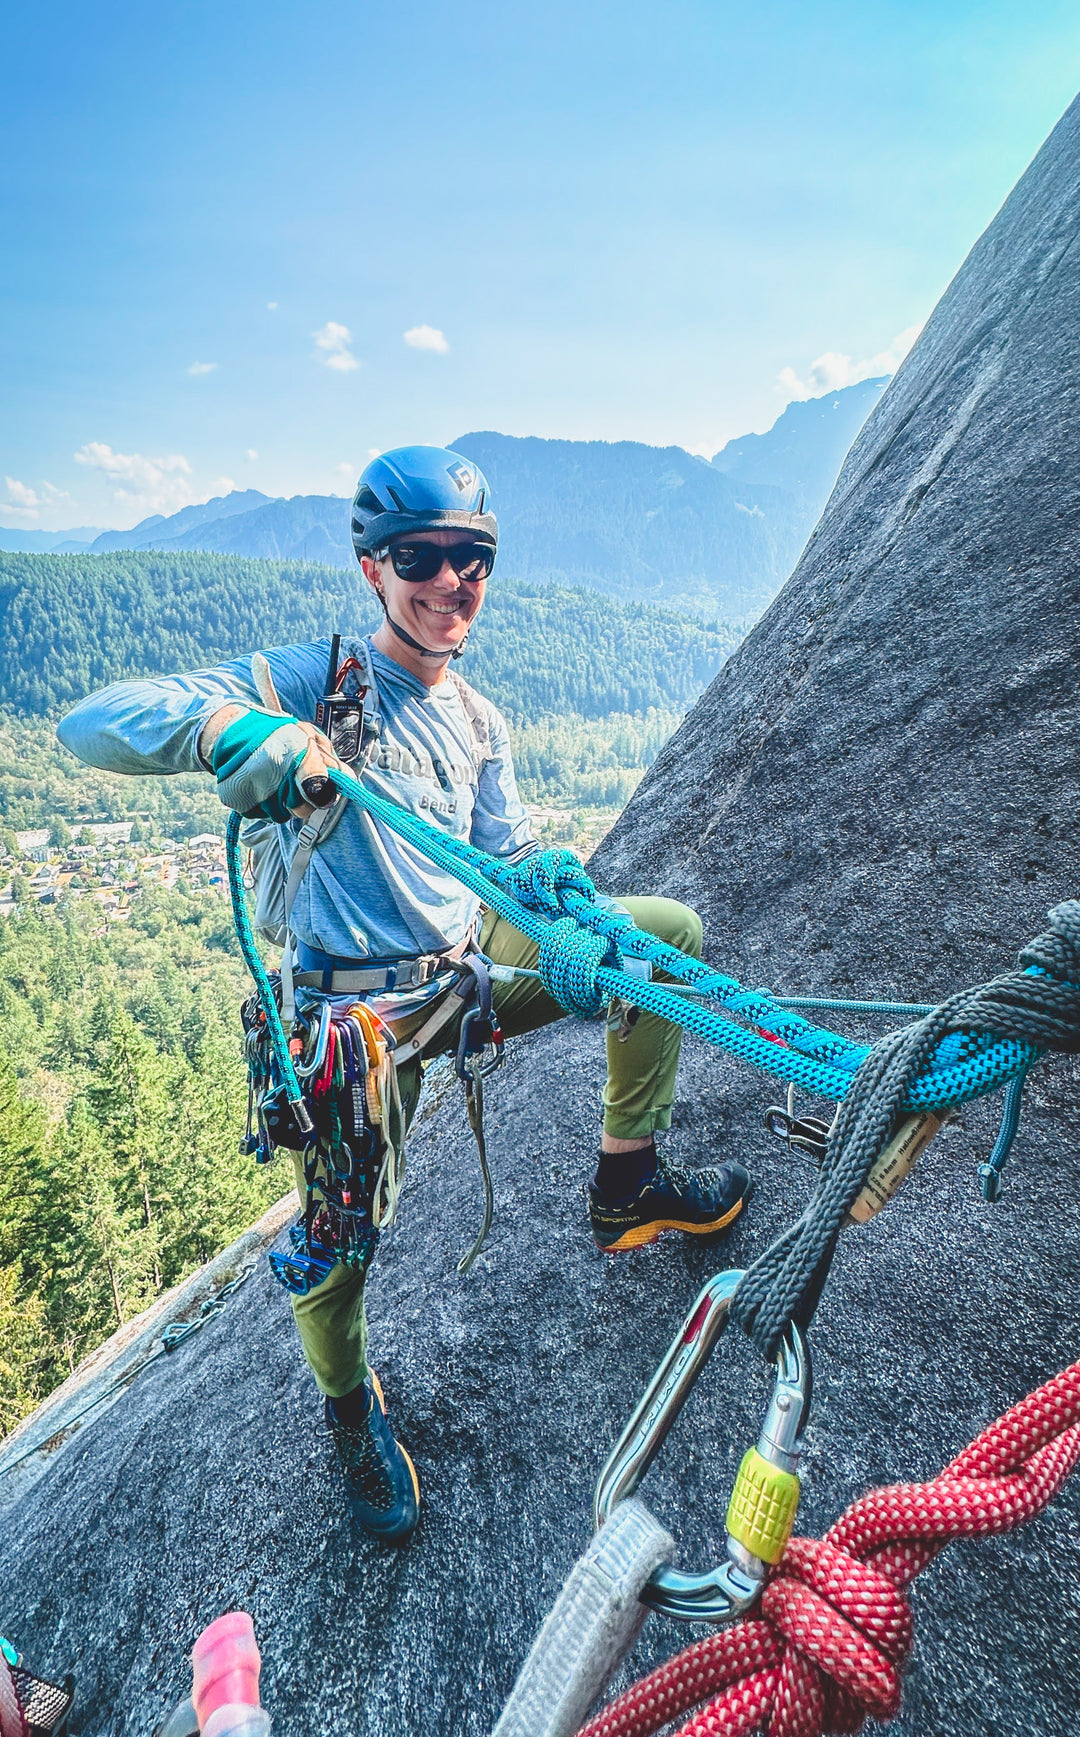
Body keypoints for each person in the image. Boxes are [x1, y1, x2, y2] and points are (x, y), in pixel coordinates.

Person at [57, 445, 752, 1545]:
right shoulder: (316, 684)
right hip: (353, 1027)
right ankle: (349, 1411)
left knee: (658, 941)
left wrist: (560, 894)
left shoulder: (479, 718)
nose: (449, 580)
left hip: (461, 979)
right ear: (374, 567)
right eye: (421, 556)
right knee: (339, 1234)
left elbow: (501, 857)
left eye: (471, 556)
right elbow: (91, 720)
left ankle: (629, 1183)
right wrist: (229, 728)